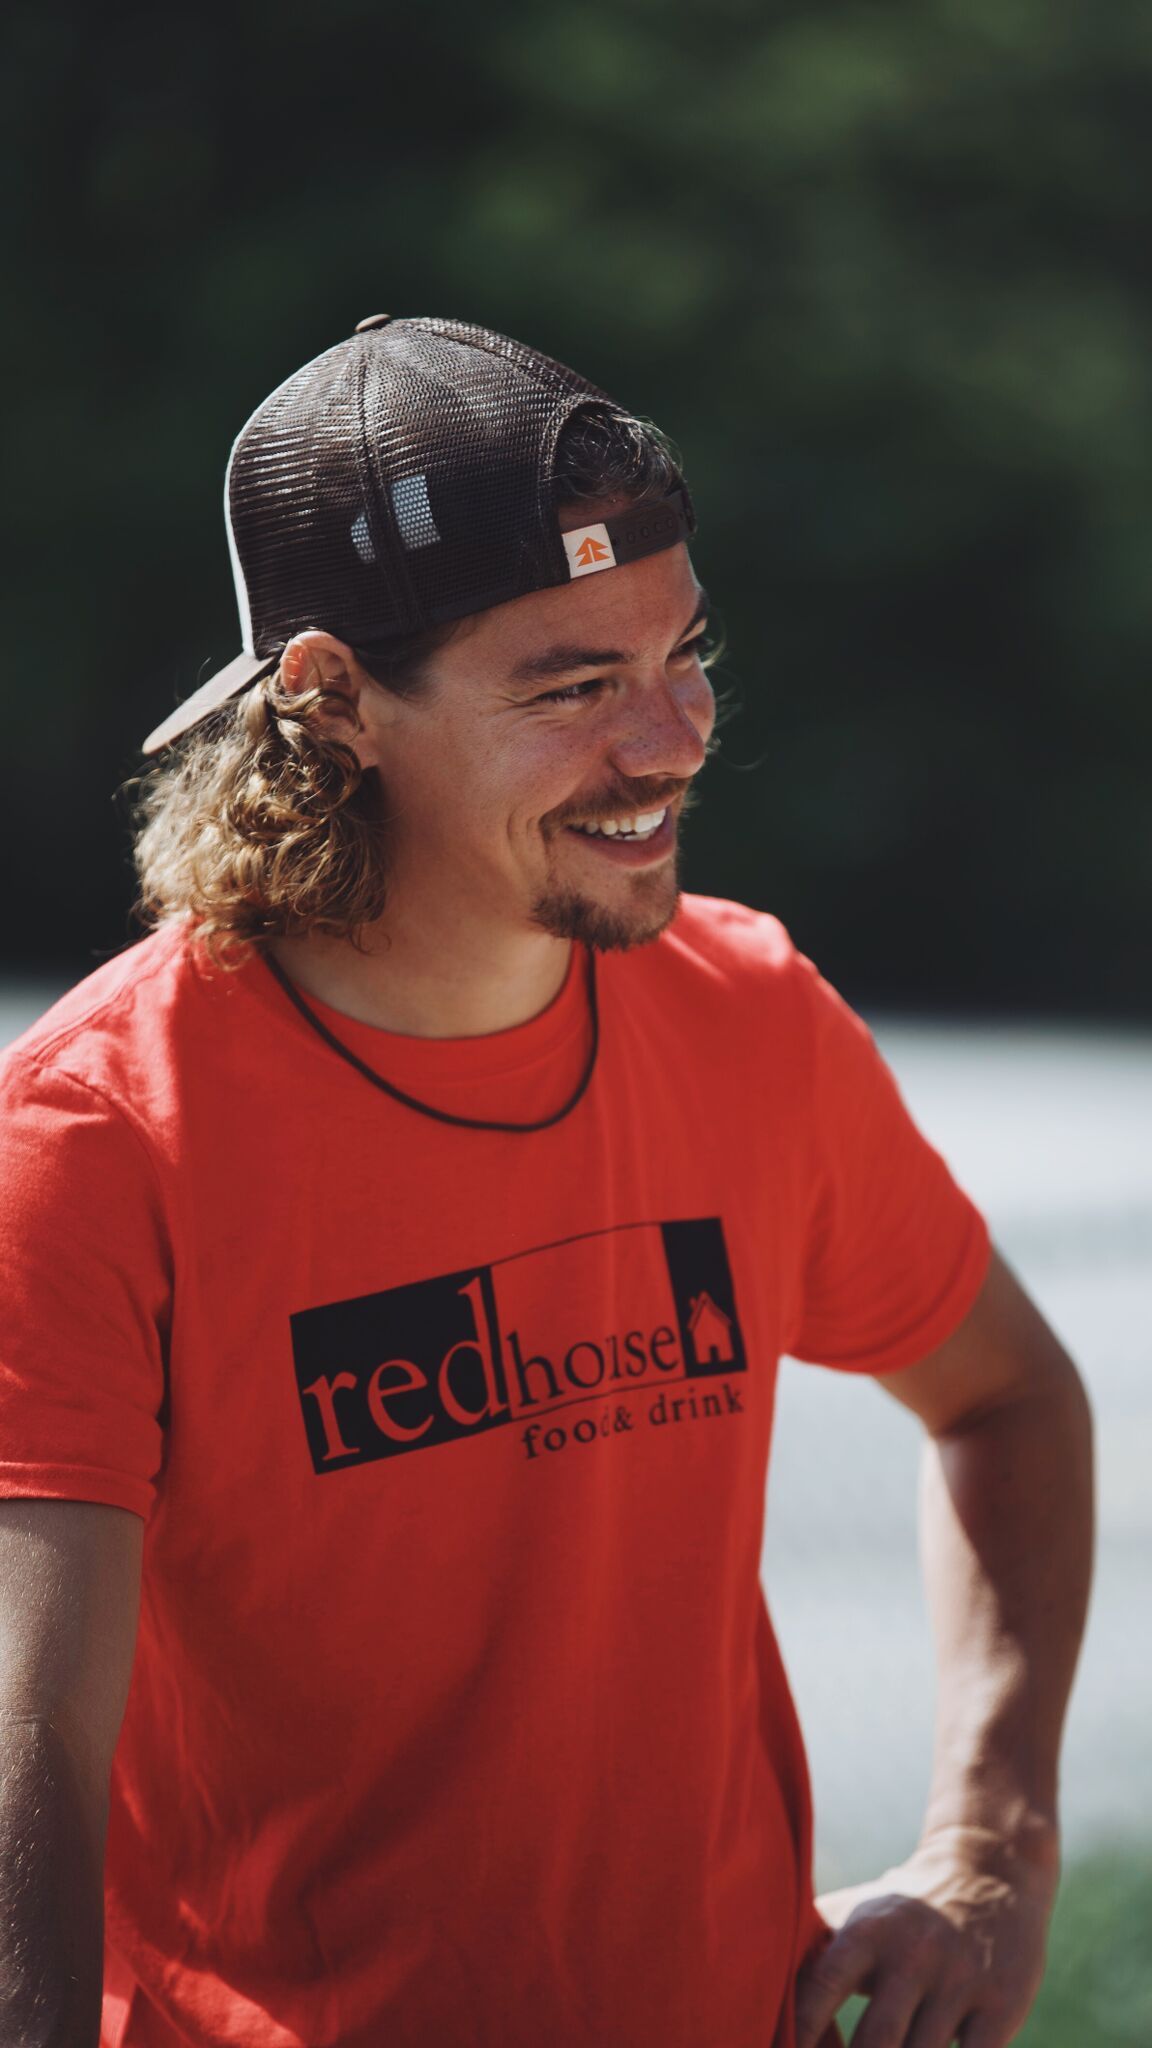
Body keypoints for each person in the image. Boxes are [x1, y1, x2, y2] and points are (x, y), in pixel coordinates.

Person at [0, 314, 1092, 2048]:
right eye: (574, 687)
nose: (671, 738)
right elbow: (26, 1759)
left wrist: (994, 1844)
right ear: (333, 699)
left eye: (684, 652)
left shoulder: (750, 1015)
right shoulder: (94, 1137)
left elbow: (1011, 1402)